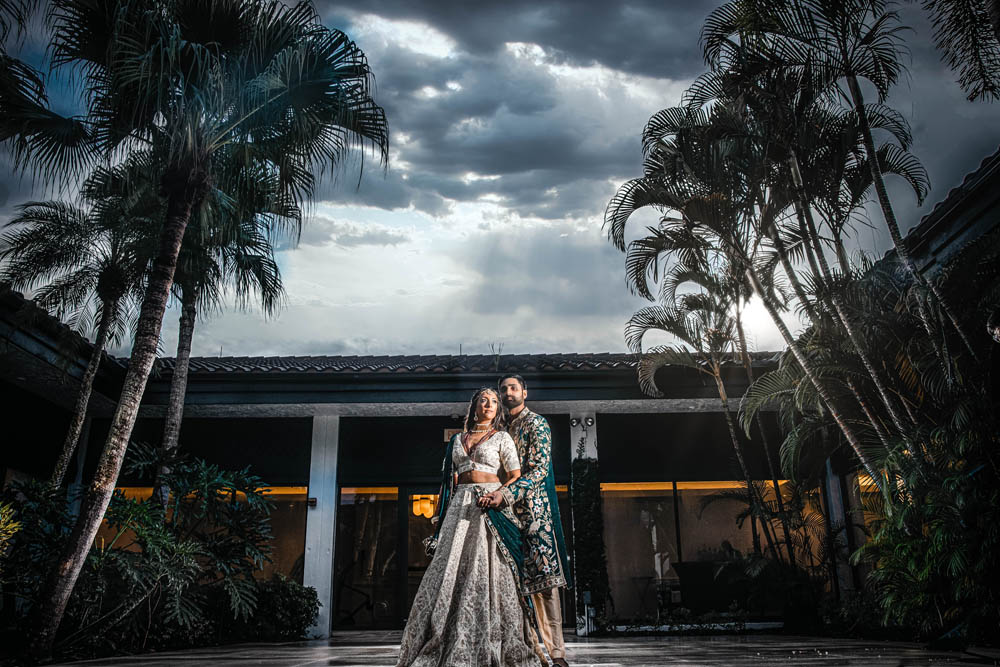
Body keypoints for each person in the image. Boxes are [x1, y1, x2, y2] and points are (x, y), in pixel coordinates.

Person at [396, 387, 542, 667]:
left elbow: (514, 476)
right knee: (449, 570)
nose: (489, 405)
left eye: (494, 402)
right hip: (459, 508)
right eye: (483, 400)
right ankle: (444, 639)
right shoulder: (456, 441)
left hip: (489, 506)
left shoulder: (502, 438)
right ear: (474, 406)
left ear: (498, 410)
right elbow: (447, 482)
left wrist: (498, 495)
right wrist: (440, 515)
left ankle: (493, 641)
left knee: (487, 570)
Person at [481, 375, 574, 667]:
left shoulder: (536, 424)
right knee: (513, 584)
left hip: (534, 515)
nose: (508, 393)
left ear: (524, 392)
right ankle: (533, 653)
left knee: (545, 584)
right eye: (504, 390)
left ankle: (556, 654)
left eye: (513, 388)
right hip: (503, 515)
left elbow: (539, 471)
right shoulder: (498, 430)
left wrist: (506, 494)